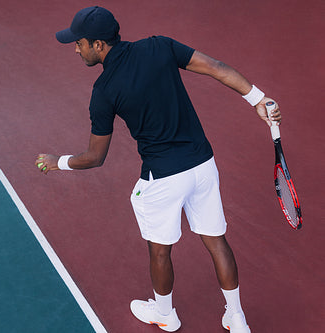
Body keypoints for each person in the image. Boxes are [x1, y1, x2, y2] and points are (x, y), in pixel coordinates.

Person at [35, 6, 281, 333]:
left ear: (98, 45)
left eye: (79, 42)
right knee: (217, 241)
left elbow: (96, 157)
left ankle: (165, 313)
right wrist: (258, 99)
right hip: (203, 165)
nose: (75, 48)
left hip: (163, 179)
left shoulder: (104, 91)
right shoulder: (159, 46)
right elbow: (216, 67)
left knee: (160, 251)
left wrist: (58, 162)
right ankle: (236, 317)